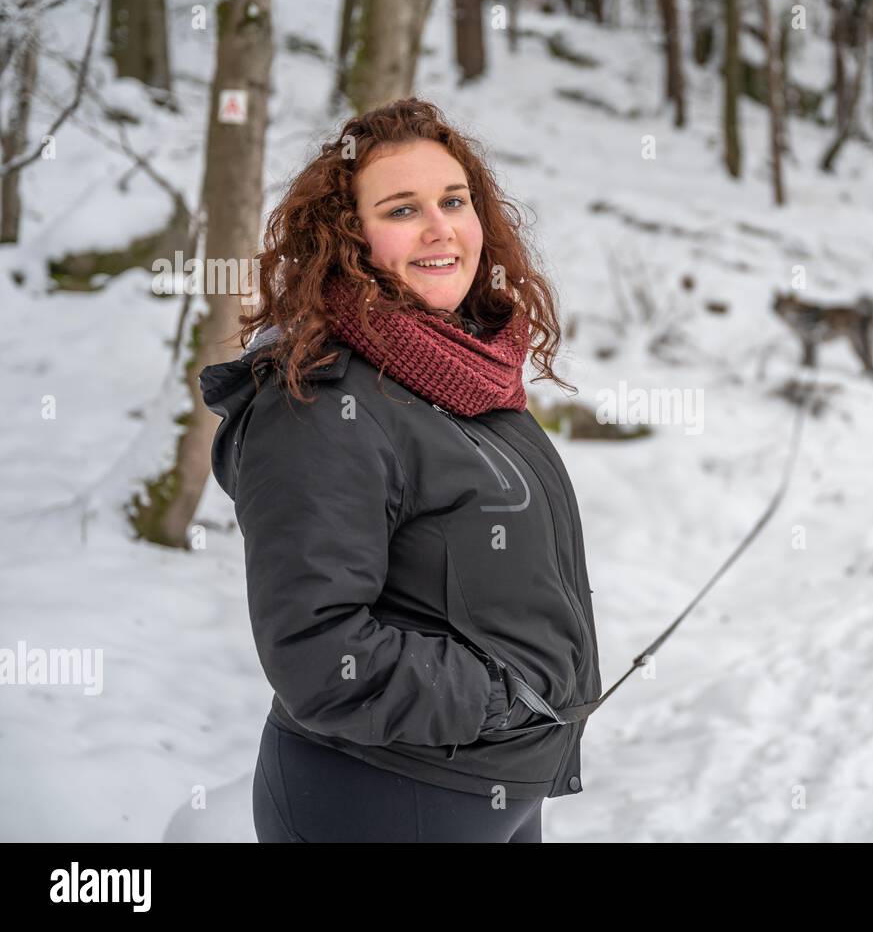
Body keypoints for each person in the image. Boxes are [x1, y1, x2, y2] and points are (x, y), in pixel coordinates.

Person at [198, 98, 602, 843]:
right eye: (401, 208)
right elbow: (318, 652)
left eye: (454, 200)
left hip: (494, 785)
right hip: (384, 796)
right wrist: (500, 699)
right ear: (350, 238)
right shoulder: (319, 406)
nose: (440, 226)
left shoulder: (468, 375)